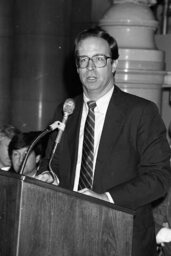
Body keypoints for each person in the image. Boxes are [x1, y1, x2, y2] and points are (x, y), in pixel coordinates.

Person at [36, 26, 171, 256]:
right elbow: (51, 164)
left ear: (114, 65)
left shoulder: (141, 112)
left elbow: (159, 177)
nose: (90, 67)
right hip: (67, 233)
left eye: (99, 59)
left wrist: (106, 198)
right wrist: (48, 176)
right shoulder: (66, 111)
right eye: (83, 60)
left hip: (121, 237)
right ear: (77, 67)